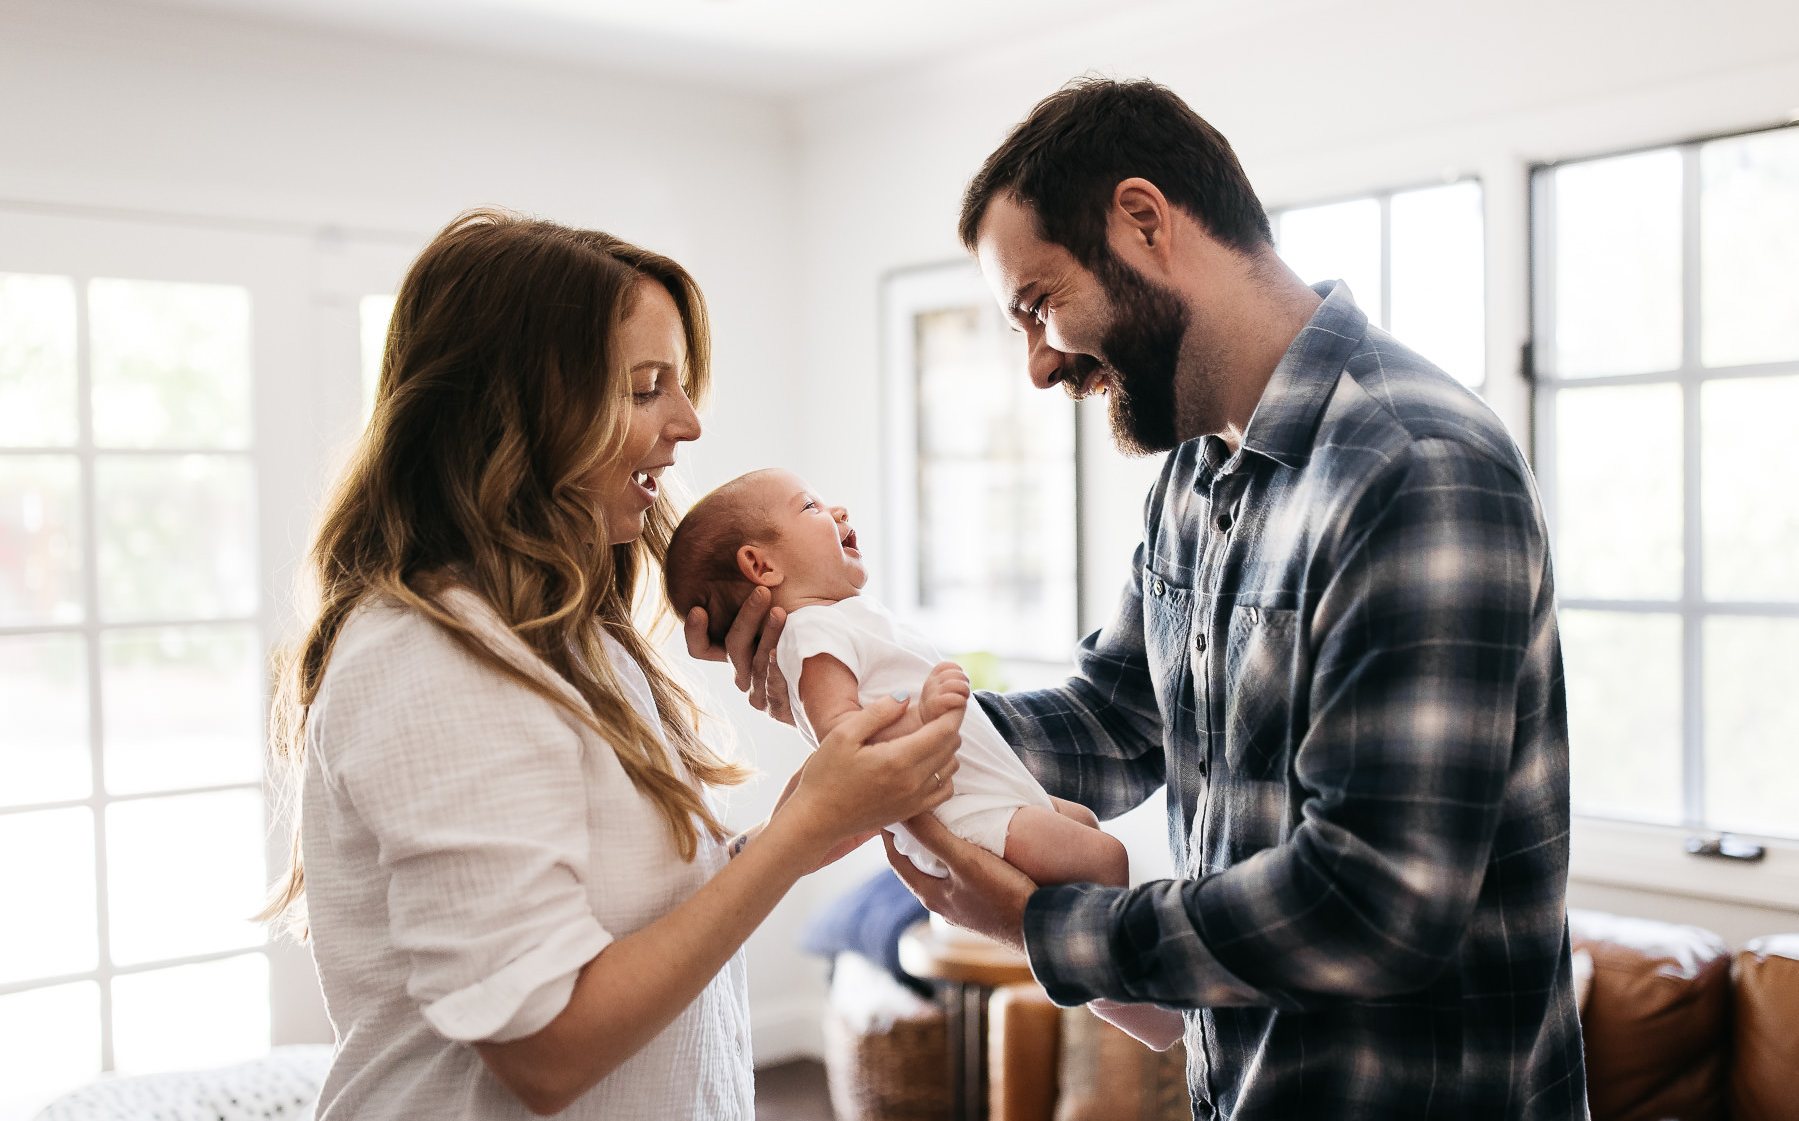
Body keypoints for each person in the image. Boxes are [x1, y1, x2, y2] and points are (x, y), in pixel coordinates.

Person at [691, 80, 1587, 1120]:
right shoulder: (1194, 477)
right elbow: (1117, 723)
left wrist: (1044, 926)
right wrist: (874, 721)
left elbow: (1370, 906)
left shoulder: (1412, 465)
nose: (1036, 363)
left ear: (1142, 220)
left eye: (1036, 304)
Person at [258, 209, 961, 1121]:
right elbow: (546, 1051)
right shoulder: (428, 657)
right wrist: (791, 843)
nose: (688, 423)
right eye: (645, 387)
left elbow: (632, 925)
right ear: (517, 409)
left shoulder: (574, 638)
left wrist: (807, 820)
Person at [663, 467, 1185, 1050]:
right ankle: (1152, 1020)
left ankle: (1145, 1009)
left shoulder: (844, 618)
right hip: (960, 814)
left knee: (1083, 829)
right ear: (761, 567)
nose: (835, 511)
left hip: (985, 790)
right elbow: (849, 746)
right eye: (809, 507)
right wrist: (927, 716)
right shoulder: (812, 632)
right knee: (1104, 857)